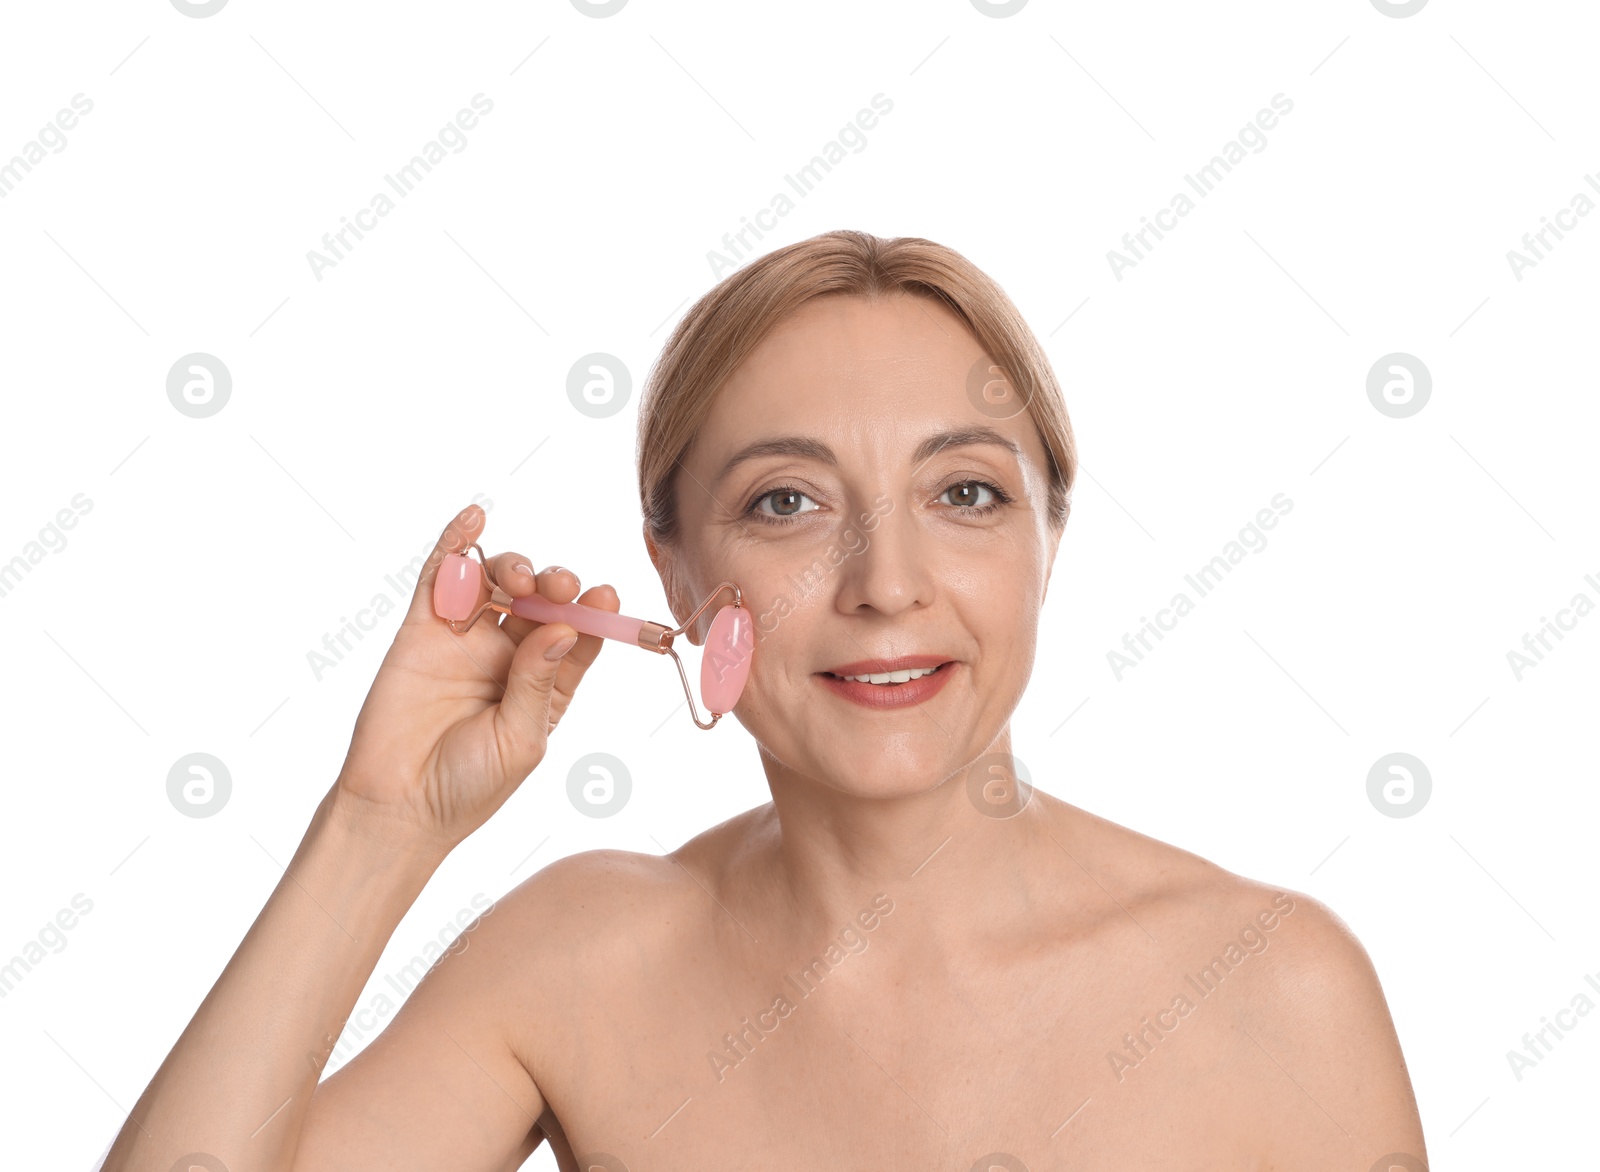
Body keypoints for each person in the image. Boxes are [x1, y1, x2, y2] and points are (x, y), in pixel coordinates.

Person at [101, 230, 1426, 1171]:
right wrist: (379, 826)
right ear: (677, 577)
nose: (887, 583)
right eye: (786, 504)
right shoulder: (579, 961)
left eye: (964, 492)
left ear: (1046, 540)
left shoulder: (1273, 990)